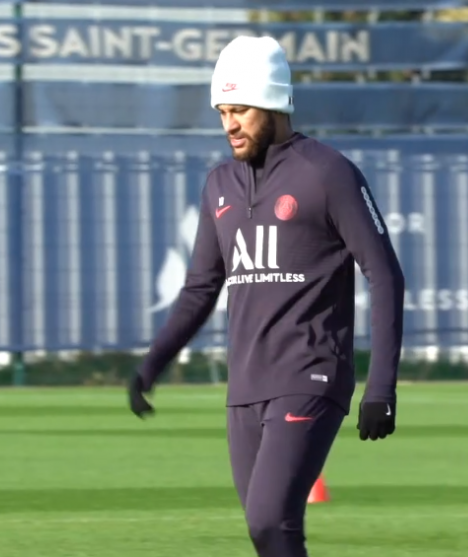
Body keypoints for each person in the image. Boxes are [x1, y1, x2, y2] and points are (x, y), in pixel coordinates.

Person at [127, 35, 405, 557]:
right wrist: (152, 365)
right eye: (222, 111)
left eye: (240, 111)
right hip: (245, 388)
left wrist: (381, 389)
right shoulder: (218, 186)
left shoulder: (327, 173)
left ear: (274, 104)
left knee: (270, 521)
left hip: (310, 374)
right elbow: (200, 289)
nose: (229, 124)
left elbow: (385, 275)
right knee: (266, 535)